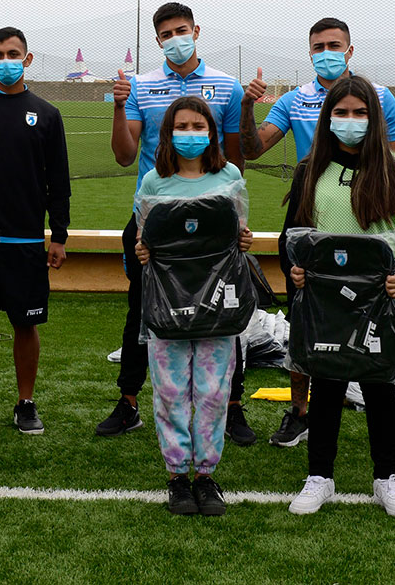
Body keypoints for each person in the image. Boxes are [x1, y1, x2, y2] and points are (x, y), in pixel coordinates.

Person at [237, 17, 395, 452]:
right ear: (309, 52)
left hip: (368, 226)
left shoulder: (380, 98)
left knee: (380, 322)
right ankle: (299, 413)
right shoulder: (295, 100)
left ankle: (389, 413)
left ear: (351, 50)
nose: (325, 52)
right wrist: (246, 108)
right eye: (318, 46)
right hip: (314, 222)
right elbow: (253, 149)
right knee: (305, 323)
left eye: (334, 45)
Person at [282, 75, 395, 519]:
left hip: (381, 306)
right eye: (342, 113)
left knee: (379, 387)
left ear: (375, 118)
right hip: (324, 306)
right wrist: (293, 270)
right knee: (327, 386)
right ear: (328, 118)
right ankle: (320, 476)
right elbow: (292, 237)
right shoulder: (310, 170)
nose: (351, 121)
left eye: (361, 113)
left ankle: (386, 477)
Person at [100, 2, 252, 443]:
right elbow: (126, 155)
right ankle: (128, 402)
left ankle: (233, 407)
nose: (175, 39)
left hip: (213, 227)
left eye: (181, 30)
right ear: (158, 40)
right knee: (142, 310)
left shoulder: (226, 86)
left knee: (225, 311)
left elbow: (234, 160)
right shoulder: (141, 87)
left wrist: (234, 220)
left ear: (197, 31)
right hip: (155, 223)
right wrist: (118, 107)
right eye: (165, 34)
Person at [134, 97, 253, 517]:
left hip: (218, 304)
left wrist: (245, 240)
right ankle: (177, 477)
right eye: (181, 126)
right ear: (168, 133)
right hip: (168, 304)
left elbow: (239, 231)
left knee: (213, 391)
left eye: (197, 126)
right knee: (169, 390)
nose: (190, 134)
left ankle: (205, 475)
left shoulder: (230, 175)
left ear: (211, 132)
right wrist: (143, 251)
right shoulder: (153, 181)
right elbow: (144, 237)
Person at [0, 27, 70, 436]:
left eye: (13, 53)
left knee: (26, 324)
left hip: (24, 239)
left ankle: (26, 402)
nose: (6, 60)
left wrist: (59, 234)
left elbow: (58, 178)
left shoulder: (47, 114)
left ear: (28, 58)